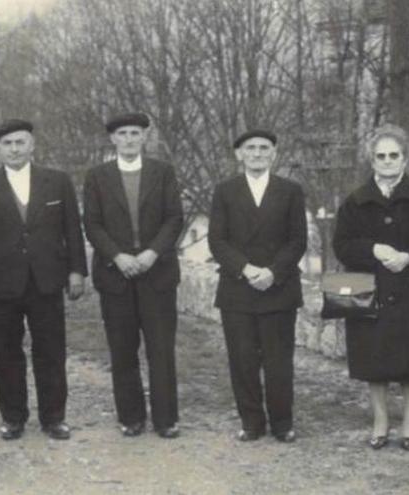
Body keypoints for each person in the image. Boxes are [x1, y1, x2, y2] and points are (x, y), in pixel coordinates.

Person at [0, 119, 87, 441]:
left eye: (20, 142)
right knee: (5, 351)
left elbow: (73, 230)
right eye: (8, 144)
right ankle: (13, 417)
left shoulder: (57, 182)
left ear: (32, 145)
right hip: (0, 282)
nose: (15, 149)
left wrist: (77, 271)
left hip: (46, 280)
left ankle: (54, 417)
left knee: (50, 350)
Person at [332, 124, 409, 451]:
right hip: (370, 289)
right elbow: (341, 244)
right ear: (372, 160)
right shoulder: (355, 202)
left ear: (405, 159)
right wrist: (373, 250)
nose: (387, 161)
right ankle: (380, 420)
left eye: (393, 155)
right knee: (373, 359)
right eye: (380, 156)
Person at [83, 113, 184, 439]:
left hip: (158, 274)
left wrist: (152, 253)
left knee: (161, 349)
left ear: (144, 137)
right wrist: (118, 256)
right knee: (123, 349)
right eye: (122, 133)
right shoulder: (98, 176)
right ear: (113, 139)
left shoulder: (163, 173)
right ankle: (131, 417)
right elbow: (93, 224)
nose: (129, 139)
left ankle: (166, 419)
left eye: (135, 133)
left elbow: (173, 218)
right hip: (116, 276)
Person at [207, 129, 307, 443]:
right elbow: (217, 240)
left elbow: (298, 240)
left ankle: (282, 423)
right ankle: (251, 422)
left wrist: (273, 272)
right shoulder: (225, 191)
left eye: (264, 148)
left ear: (274, 153)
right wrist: (246, 269)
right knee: (243, 360)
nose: (258, 153)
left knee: (279, 361)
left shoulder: (290, 190)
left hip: (278, 289)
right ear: (239, 154)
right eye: (250, 148)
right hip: (238, 289)